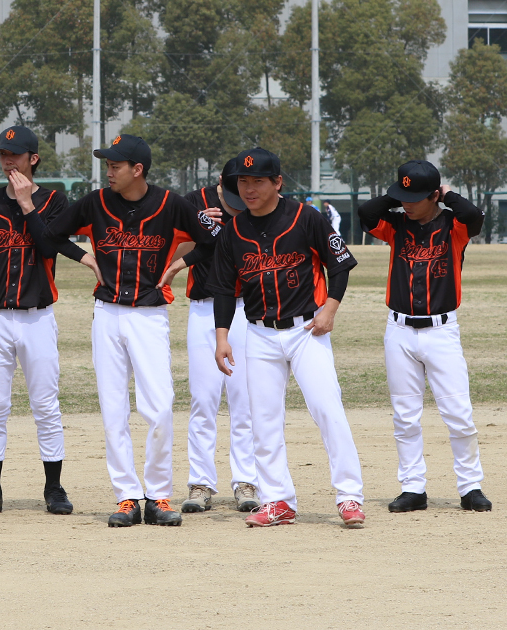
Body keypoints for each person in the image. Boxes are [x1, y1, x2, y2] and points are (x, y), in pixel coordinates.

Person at [48, 135, 218, 528]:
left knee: (158, 408)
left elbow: (214, 239)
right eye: (107, 165)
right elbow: (50, 232)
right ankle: (127, 496)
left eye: (115, 165)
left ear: (137, 169)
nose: (108, 171)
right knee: (113, 410)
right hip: (107, 313)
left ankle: (157, 495)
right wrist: (84, 256)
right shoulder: (95, 202)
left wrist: (180, 264)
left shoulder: (171, 204)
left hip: (149, 315)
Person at [209, 147, 366, 528]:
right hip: (259, 335)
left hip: (305, 330)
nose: (249, 189)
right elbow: (224, 289)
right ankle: (278, 500)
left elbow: (339, 263)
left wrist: (330, 307)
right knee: (263, 420)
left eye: (257, 181)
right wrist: (222, 337)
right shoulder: (234, 231)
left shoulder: (304, 218)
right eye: (242, 182)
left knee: (327, 408)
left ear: (277, 182)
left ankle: (349, 496)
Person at [356, 160, 491, 513]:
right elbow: (366, 213)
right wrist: (395, 195)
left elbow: (474, 214)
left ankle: (470, 486)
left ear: (435, 195)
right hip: (398, 331)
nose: (407, 204)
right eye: (403, 196)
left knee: (459, 414)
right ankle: (413, 488)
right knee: (405, 415)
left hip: (442, 331)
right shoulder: (395, 225)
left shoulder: (454, 227)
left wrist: (446, 194)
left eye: (416, 197)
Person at [0, 125, 80, 517]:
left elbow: (51, 245)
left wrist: (27, 203)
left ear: (33, 158)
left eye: (15, 154)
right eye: (2, 154)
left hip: (38, 318)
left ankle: (54, 487)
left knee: (46, 405)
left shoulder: (54, 201)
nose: (7, 160)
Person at [178, 159, 259, 514]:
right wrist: (202, 230)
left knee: (244, 398)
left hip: (246, 309)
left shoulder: (257, 207)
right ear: (222, 186)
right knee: (204, 398)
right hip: (203, 308)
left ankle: (246, 481)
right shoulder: (193, 204)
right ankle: (200, 483)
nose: (244, 197)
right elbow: (175, 253)